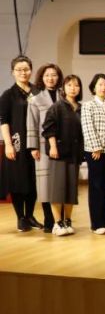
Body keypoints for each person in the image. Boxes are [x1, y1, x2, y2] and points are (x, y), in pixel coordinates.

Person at [1, 56, 41, 232]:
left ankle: (30, 215)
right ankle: (20, 217)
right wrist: (8, 144)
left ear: (31, 70)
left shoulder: (38, 92)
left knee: (33, 180)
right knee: (18, 180)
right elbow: (3, 121)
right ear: (13, 72)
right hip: (17, 143)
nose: (23, 72)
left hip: (35, 143)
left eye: (26, 69)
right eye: (19, 70)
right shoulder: (8, 95)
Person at [41, 74, 83, 237]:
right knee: (57, 189)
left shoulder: (81, 108)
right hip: (58, 154)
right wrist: (53, 146)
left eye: (76, 85)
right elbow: (48, 128)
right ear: (63, 88)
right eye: (70, 85)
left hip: (74, 155)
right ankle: (57, 223)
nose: (73, 88)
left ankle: (68, 221)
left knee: (71, 190)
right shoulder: (57, 107)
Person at [27, 63, 63, 233]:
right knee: (45, 183)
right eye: (47, 75)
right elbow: (32, 124)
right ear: (41, 78)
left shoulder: (64, 96)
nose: (50, 78)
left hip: (63, 146)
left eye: (54, 75)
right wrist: (33, 146)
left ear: (59, 77)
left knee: (61, 182)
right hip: (42, 146)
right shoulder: (35, 99)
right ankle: (49, 219)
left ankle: (61, 219)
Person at [81, 73, 105, 235]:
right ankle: (96, 223)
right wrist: (96, 147)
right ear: (94, 87)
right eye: (100, 84)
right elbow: (88, 127)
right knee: (96, 186)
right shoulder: (88, 106)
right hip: (95, 151)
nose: (103, 87)